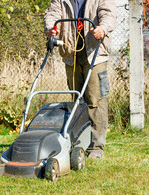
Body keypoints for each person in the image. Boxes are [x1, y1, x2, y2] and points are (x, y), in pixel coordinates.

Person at [44, 0, 117, 159]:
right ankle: (78, 144)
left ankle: (96, 148)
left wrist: (102, 29)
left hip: (94, 53)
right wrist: (52, 28)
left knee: (95, 100)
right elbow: (52, 13)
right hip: (71, 53)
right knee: (76, 101)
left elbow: (108, 14)